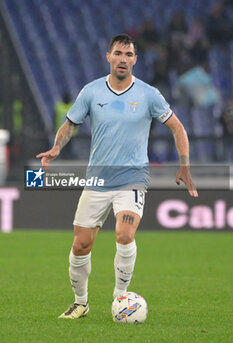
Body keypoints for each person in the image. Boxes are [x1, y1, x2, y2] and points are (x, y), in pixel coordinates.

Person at [36, 34, 198, 319]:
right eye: (118, 53)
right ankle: (80, 303)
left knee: (125, 234)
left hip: (132, 179)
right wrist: (56, 147)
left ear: (135, 59)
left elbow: (178, 128)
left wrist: (184, 164)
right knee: (80, 245)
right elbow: (70, 124)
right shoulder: (92, 91)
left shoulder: (148, 94)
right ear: (108, 57)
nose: (123, 59)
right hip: (97, 180)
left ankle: (120, 297)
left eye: (129, 54)